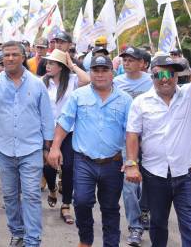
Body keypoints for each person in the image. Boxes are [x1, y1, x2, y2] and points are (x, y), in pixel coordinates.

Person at [125, 30, 191, 247]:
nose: (166, 79)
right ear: (152, 76)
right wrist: (131, 163)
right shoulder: (140, 102)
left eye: (171, 74)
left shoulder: (189, 95)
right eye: (160, 74)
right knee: (158, 225)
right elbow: (132, 134)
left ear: (177, 76)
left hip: (186, 176)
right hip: (154, 175)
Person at [0, 41, 55, 247]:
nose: (10, 58)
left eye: (15, 54)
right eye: (6, 55)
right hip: (5, 150)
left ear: (23, 57)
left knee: (32, 196)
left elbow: (47, 119)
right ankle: (17, 232)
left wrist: (48, 148)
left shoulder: (36, 83)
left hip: (31, 148)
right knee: (10, 196)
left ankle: (33, 241)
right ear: (1, 58)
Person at [47, 55, 133, 247]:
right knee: (82, 202)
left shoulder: (126, 100)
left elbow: (131, 134)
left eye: (104, 70)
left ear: (112, 72)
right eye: (96, 70)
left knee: (110, 207)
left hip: (113, 163)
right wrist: (55, 148)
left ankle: (111, 244)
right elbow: (64, 122)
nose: (100, 75)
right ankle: (85, 240)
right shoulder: (79, 95)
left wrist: (132, 162)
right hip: (84, 161)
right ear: (90, 72)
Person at [39, 49, 88, 226]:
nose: (48, 65)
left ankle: (66, 205)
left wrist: (72, 63)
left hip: (69, 131)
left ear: (61, 67)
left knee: (68, 167)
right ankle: (52, 189)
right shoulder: (42, 82)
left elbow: (87, 80)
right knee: (48, 167)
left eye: (52, 63)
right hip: (46, 132)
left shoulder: (73, 81)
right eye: (48, 62)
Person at [111, 46, 153, 246]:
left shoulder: (153, 80)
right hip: (127, 141)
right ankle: (135, 227)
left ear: (142, 63)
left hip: (152, 140)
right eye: (124, 59)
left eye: (131, 59)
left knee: (150, 182)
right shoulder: (116, 83)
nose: (127, 63)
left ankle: (145, 209)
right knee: (129, 186)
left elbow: (174, 80)